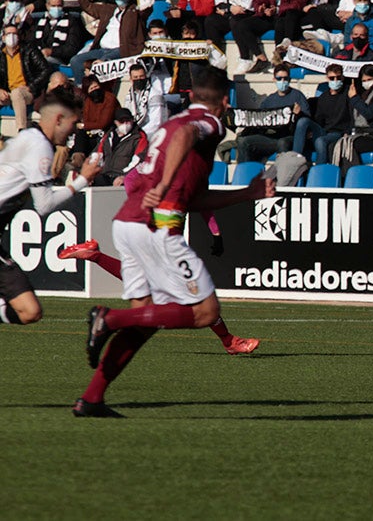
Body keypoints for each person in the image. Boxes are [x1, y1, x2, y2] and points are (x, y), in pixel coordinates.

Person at [78, 69, 276, 417]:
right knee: (205, 312)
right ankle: (108, 319)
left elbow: (195, 199)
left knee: (144, 321)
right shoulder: (209, 123)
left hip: (128, 222)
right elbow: (187, 137)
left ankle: (92, 399)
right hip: (157, 225)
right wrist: (165, 183)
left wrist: (248, 194)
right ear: (225, 101)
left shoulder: (170, 123)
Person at [0, 89, 101, 326]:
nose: (75, 129)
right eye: (74, 122)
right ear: (58, 119)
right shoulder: (39, 147)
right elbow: (44, 205)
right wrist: (82, 180)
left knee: (29, 311)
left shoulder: (27, 138)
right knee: (29, 311)